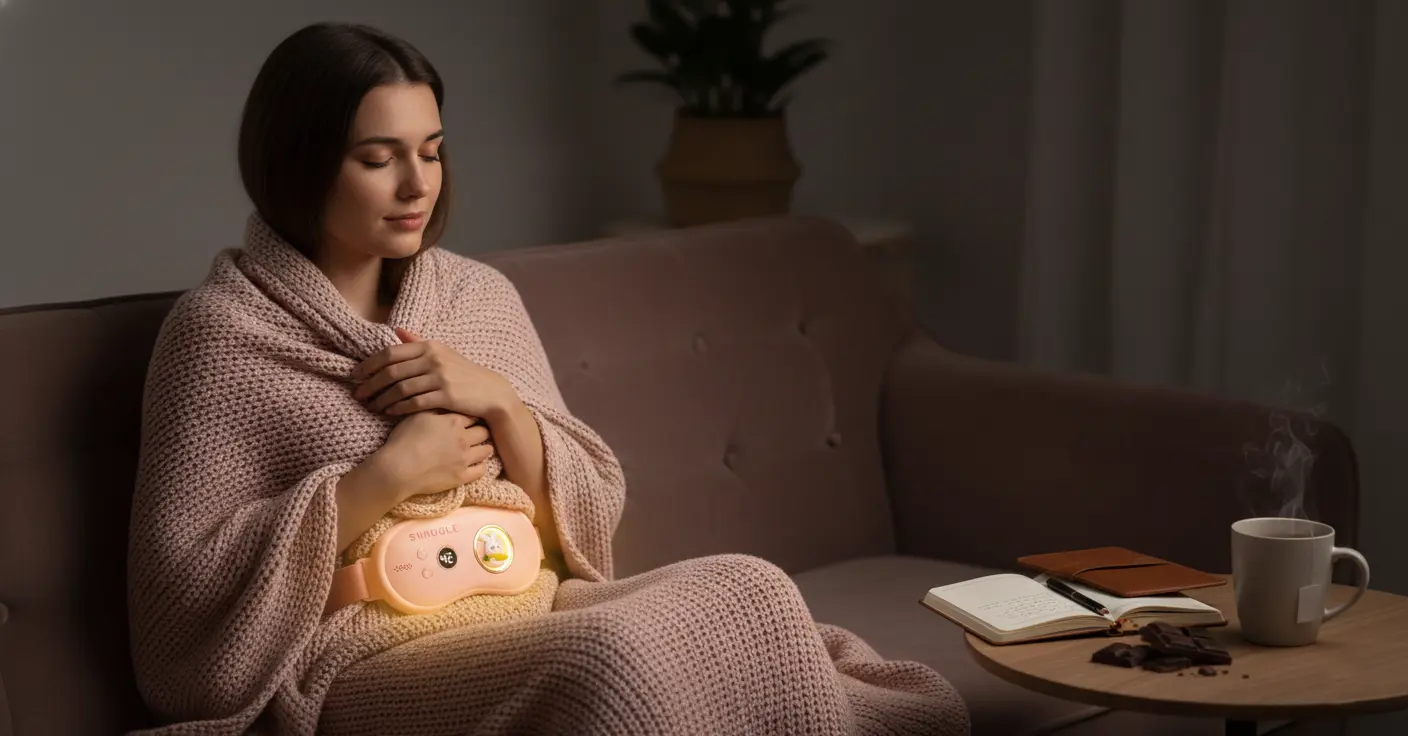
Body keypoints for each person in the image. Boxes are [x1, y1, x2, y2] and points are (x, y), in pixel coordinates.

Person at [126, 22, 970, 736]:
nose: (418, 185)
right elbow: (179, 603)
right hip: (360, 657)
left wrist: (499, 402)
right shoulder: (222, 333)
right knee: (609, 664)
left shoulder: (475, 297)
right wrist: (386, 477)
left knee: (752, 588)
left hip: (526, 605)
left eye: (432, 152)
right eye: (378, 159)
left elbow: (586, 529)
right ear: (301, 163)